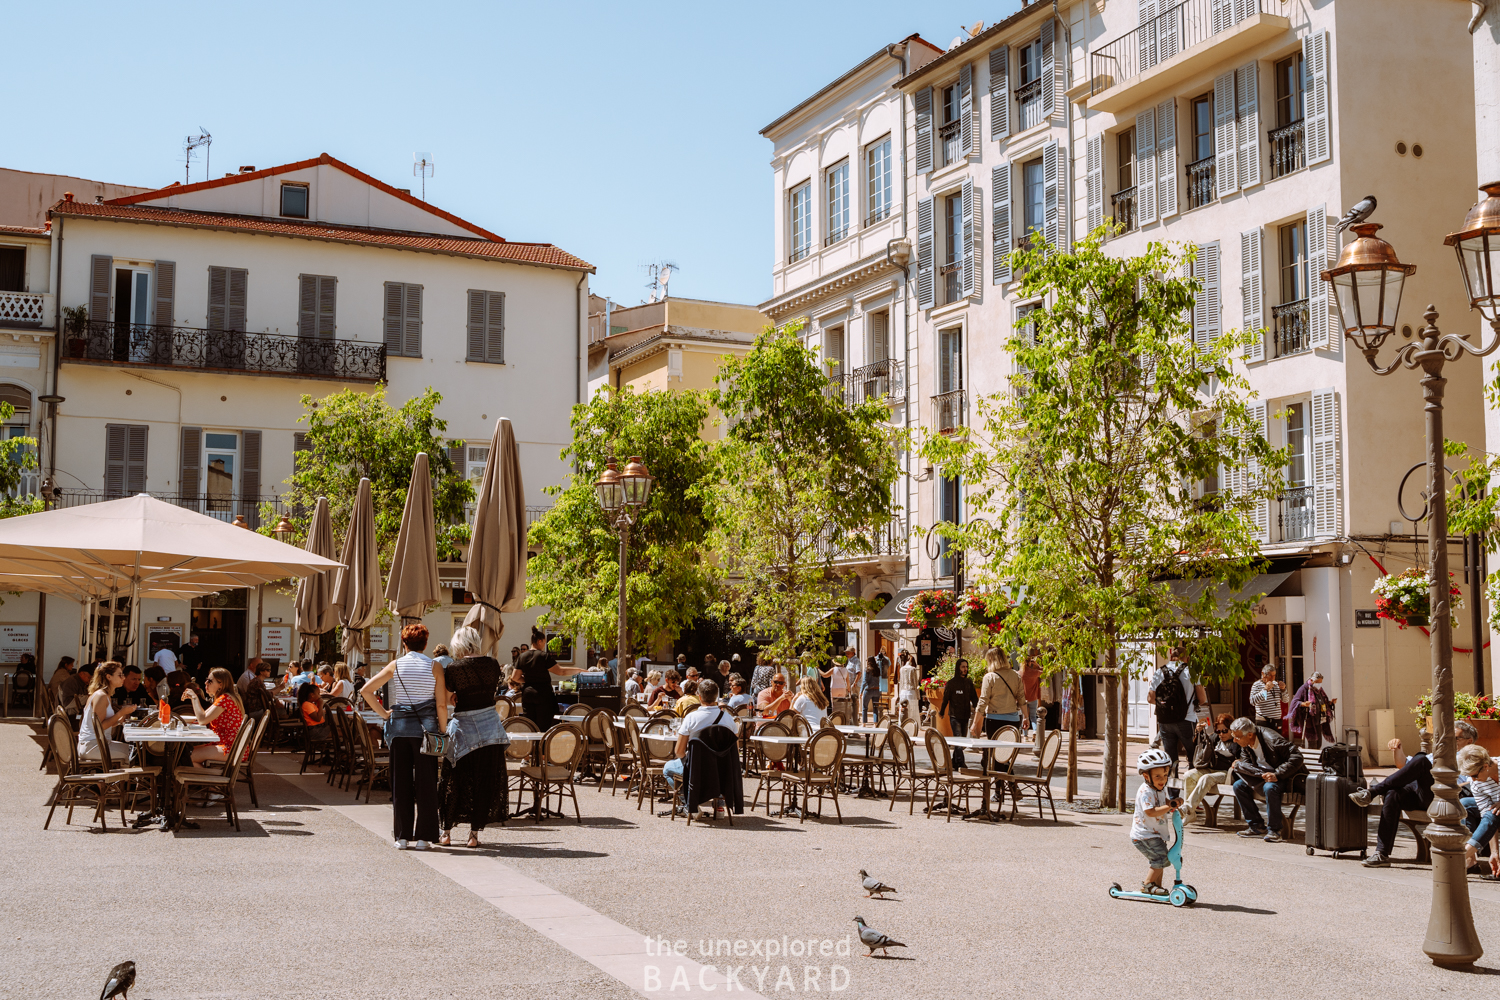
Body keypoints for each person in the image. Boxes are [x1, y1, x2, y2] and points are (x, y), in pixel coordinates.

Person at [362, 622, 450, 850]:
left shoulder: (396, 665)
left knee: (400, 782)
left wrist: (384, 714)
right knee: (427, 783)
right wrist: (443, 729)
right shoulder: (434, 666)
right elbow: (441, 704)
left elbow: (366, 691)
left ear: (404, 643)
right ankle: (424, 837)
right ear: (426, 643)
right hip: (425, 731)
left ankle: (401, 836)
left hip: (399, 730)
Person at [1353, 720, 1480, 867]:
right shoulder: (1440, 752)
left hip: (1444, 799)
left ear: (1469, 741)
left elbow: (1472, 782)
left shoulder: (1471, 756)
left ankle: (1373, 792)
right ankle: (1381, 853)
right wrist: (1397, 749)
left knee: (1421, 759)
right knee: (1393, 793)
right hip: (1423, 794)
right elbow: (1403, 765)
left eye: (1455, 738)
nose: (1448, 741)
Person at [437, 626, 509, 849]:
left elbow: (450, 699)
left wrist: (458, 696)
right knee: (483, 782)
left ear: (458, 644)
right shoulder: (493, 664)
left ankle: (446, 832)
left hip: (464, 731)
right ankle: (474, 835)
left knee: (452, 781)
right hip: (490, 729)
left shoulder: (454, 668)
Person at [664, 678, 738, 820]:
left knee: (668, 768)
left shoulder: (691, 718)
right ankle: (720, 805)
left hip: (697, 769)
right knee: (719, 767)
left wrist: (690, 755)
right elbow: (734, 750)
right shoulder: (729, 719)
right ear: (717, 696)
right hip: (721, 770)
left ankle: (690, 804)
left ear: (699, 697)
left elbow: (679, 752)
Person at [1225, 716, 1306, 844]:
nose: (1234, 740)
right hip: (1262, 776)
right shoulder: (1245, 744)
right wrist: (1241, 765)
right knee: (1238, 786)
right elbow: (1247, 762)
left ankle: (1274, 830)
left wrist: (1277, 774)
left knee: (1270, 787)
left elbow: (1297, 757)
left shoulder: (1273, 740)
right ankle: (1256, 825)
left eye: (1237, 737)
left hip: (1286, 777)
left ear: (1250, 734)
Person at [1131, 747, 1184, 898]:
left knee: (1160, 859)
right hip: (1144, 835)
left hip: (1155, 833)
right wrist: (1169, 806)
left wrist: (1172, 802)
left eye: (1165, 775)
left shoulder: (1160, 788)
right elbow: (1151, 811)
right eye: (1158, 776)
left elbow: (1164, 802)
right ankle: (1147, 885)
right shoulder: (1145, 792)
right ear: (1147, 776)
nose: (1163, 780)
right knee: (1161, 859)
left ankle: (1156, 887)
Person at [1147, 647, 1207, 778]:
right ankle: (1191, 789)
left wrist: (1168, 706)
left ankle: (1173, 795)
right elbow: (1202, 699)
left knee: (1170, 759)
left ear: (1170, 657)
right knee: (1193, 756)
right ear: (1188, 658)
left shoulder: (1159, 672)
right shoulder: (1192, 672)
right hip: (1187, 719)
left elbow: (1151, 698)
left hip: (1165, 721)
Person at [515, 625, 587, 732]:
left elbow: (515, 677)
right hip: (543, 694)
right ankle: (543, 747)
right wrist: (579, 670)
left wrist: (530, 680)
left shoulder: (522, 656)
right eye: (544, 643)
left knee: (530, 725)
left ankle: (532, 747)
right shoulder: (544, 656)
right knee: (544, 726)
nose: (544, 646)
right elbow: (561, 671)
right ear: (539, 641)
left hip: (527, 694)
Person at [183, 668, 247, 767]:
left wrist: (194, 697)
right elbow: (202, 716)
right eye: (206, 680)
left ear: (220, 684)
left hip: (231, 748)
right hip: (231, 746)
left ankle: (210, 780)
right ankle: (205, 779)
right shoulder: (224, 697)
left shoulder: (225, 699)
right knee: (185, 753)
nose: (206, 683)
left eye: (210, 681)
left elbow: (202, 720)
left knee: (186, 757)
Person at [1183, 714, 1237, 822]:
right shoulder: (1215, 738)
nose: (1221, 734)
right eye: (1219, 731)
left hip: (1226, 773)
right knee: (1188, 775)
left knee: (1206, 778)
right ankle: (1190, 814)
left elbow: (1246, 756)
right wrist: (1199, 733)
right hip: (1211, 769)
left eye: (1225, 731)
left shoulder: (1238, 742)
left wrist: (1238, 761)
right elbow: (1198, 749)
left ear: (1232, 730)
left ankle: (1187, 808)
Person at [77, 662, 134, 764]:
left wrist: (119, 721)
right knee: (135, 753)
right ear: (109, 677)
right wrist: (121, 712)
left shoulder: (104, 695)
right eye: (120, 675)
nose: (123, 678)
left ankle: (123, 779)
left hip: (97, 744)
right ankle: (122, 779)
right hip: (93, 747)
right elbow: (100, 726)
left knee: (134, 750)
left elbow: (102, 723)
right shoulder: (101, 696)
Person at [1456, 743, 1500, 873]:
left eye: (1474, 776)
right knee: (1466, 804)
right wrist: (1494, 852)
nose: (1473, 781)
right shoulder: (1477, 785)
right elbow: (1489, 816)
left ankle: (1462, 855)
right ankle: (1470, 858)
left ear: (1485, 767)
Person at [973, 648, 1023, 736]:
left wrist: (974, 723)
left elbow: (983, 701)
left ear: (991, 660)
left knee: (994, 749)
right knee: (1010, 749)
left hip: (994, 718)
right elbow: (1021, 698)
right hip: (1014, 719)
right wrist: (1026, 717)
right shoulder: (1015, 675)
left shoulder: (989, 677)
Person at [939, 659, 979, 768]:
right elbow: (945, 699)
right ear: (958, 668)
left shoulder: (969, 682)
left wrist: (978, 710)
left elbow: (974, 698)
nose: (965, 669)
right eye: (963, 667)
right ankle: (961, 763)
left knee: (961, 740)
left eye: (966, 667)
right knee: (958, 738)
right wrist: (942, 711)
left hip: (965, 715)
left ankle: (954, 761)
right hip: (954, 716)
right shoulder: (951, 683)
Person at [1288, 671, 1337, 749]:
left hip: (1319, 720)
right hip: (1309, 721)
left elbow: (1323, 702)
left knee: (1319, 743)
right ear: (1312, 681)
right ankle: (1311, 759)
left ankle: (1316, 760)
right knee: (1313, 744)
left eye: (1320, 683)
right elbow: (1294, 702)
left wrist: (1330, 703)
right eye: (1317, 682)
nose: (1319, 685)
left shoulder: (1320, 690)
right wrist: (1303, 704)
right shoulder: (1304, 689)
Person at [1249, 665, 1286, 730]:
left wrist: (1283, 690)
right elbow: (1252, 701)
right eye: (1270, 675)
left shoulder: (1276, 684)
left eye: (1274, 675)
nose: (1272, 678)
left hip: (1276, 721)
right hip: (1264, 720)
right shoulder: (1257, 685)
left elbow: (1286, 700)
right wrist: (1265, 690)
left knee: (1277, 740)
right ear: (1263, 674)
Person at [824, 648, 857, 722]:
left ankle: (835, 719)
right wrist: (849, 690)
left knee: (834, 705)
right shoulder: (846, 670)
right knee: (841, 704)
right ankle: (842, 719)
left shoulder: (833, 669)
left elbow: (825, 675)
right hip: (842, 688)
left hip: (834, 688)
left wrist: (818, 670)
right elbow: (848, 682)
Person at [896, 654, 921, 727]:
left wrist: (899, 694)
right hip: (911, 691)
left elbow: (900, 682)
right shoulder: (913, 669)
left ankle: (902, 724)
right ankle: (913, 725)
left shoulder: (901, 669)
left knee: (903, 709)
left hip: (903, 691)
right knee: (912, 710)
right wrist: (918, 695)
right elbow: (915, 683)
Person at [860, 655, 883, 725]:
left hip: (868, 690)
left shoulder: (867, 670)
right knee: (875, 708)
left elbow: (864, 681)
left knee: (864, 707)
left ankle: (864, 723)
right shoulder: (878, 669)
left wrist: (861, 691)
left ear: (869, 662)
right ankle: (875, 723)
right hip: (876, 690)